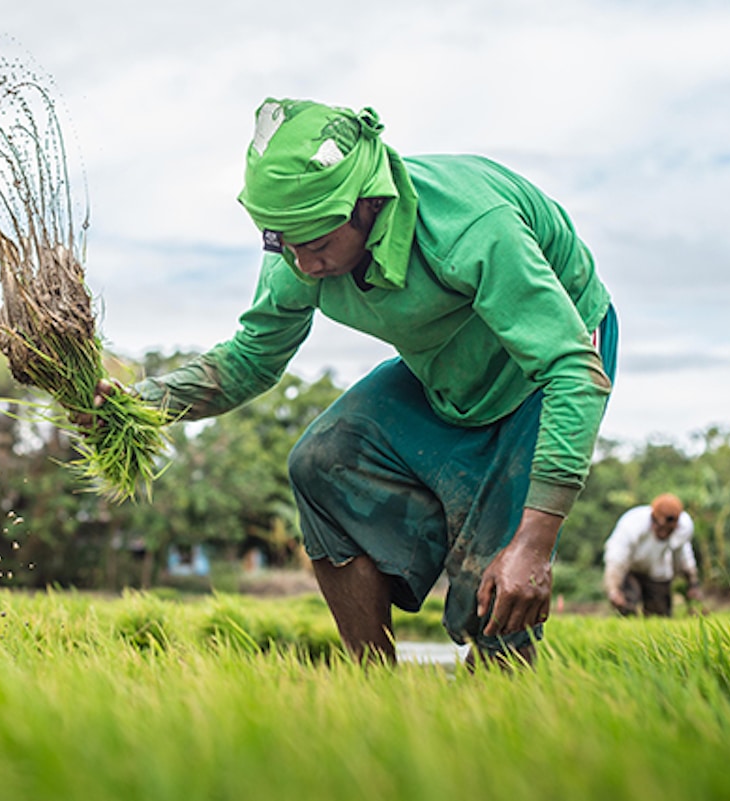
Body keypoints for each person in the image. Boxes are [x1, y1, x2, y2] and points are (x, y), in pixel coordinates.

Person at [92, 98, 617, 668]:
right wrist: (142, 404)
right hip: (441, 368)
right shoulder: (298, 255)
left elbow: (572, 370)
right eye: (284, 243)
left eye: (317, 244)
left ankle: (503, 705)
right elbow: (249, 359)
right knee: (322, 461)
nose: (304, 264)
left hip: (543, 373)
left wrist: (533, 545)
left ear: (371, 205)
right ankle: (370, 685)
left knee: (496, 596)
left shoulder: (471, 227)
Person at [603, 493, 702, 617]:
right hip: (629, 569)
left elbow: (683, 555)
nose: (664, 533)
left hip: (657, 571)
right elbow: (616, 558)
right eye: (661, 528)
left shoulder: (684, 527)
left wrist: (692, 582)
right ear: (653, 519)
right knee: (626, 607)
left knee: (660, 615)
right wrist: (613, 590)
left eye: (669, 530)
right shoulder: (632, 525)